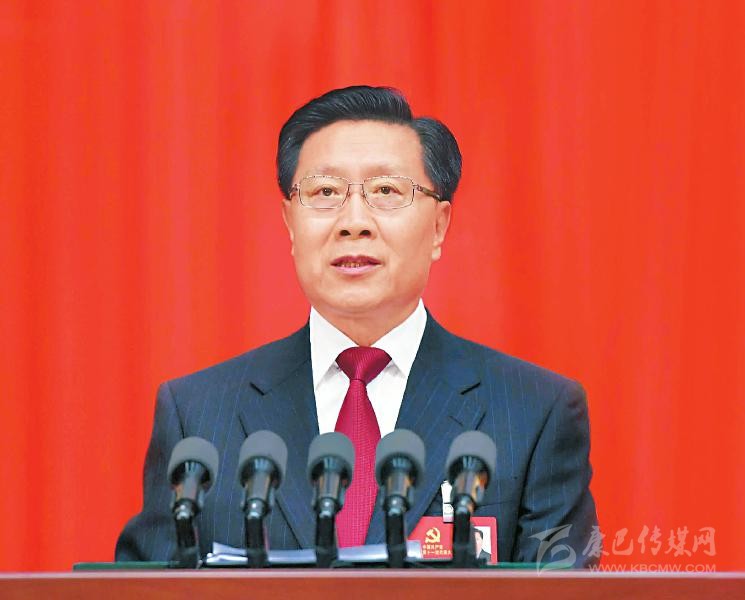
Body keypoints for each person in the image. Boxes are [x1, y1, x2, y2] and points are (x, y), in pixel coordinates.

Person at [116, 85, 598, 566]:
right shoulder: (197, 417)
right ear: (290, 223)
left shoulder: (535, 413)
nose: (354, 222)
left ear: (438, 226)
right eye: (325, 192)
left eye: (386, 191)